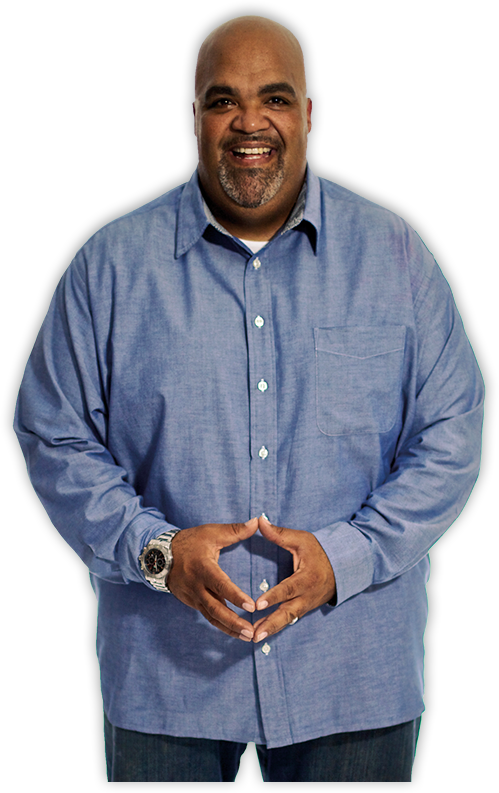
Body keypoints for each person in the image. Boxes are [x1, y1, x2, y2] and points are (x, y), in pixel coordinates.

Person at [14, 14, 484, 783]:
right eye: (222, 99)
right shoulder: (108, 266)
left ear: (310, 113)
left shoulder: (398, 256)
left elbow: (451, 434)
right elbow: (53, 434)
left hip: (351, 672)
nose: (249, 122)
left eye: (274, 97)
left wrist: (347, 556)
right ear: (191, 115)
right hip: (166, 676)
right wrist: (156, 552)